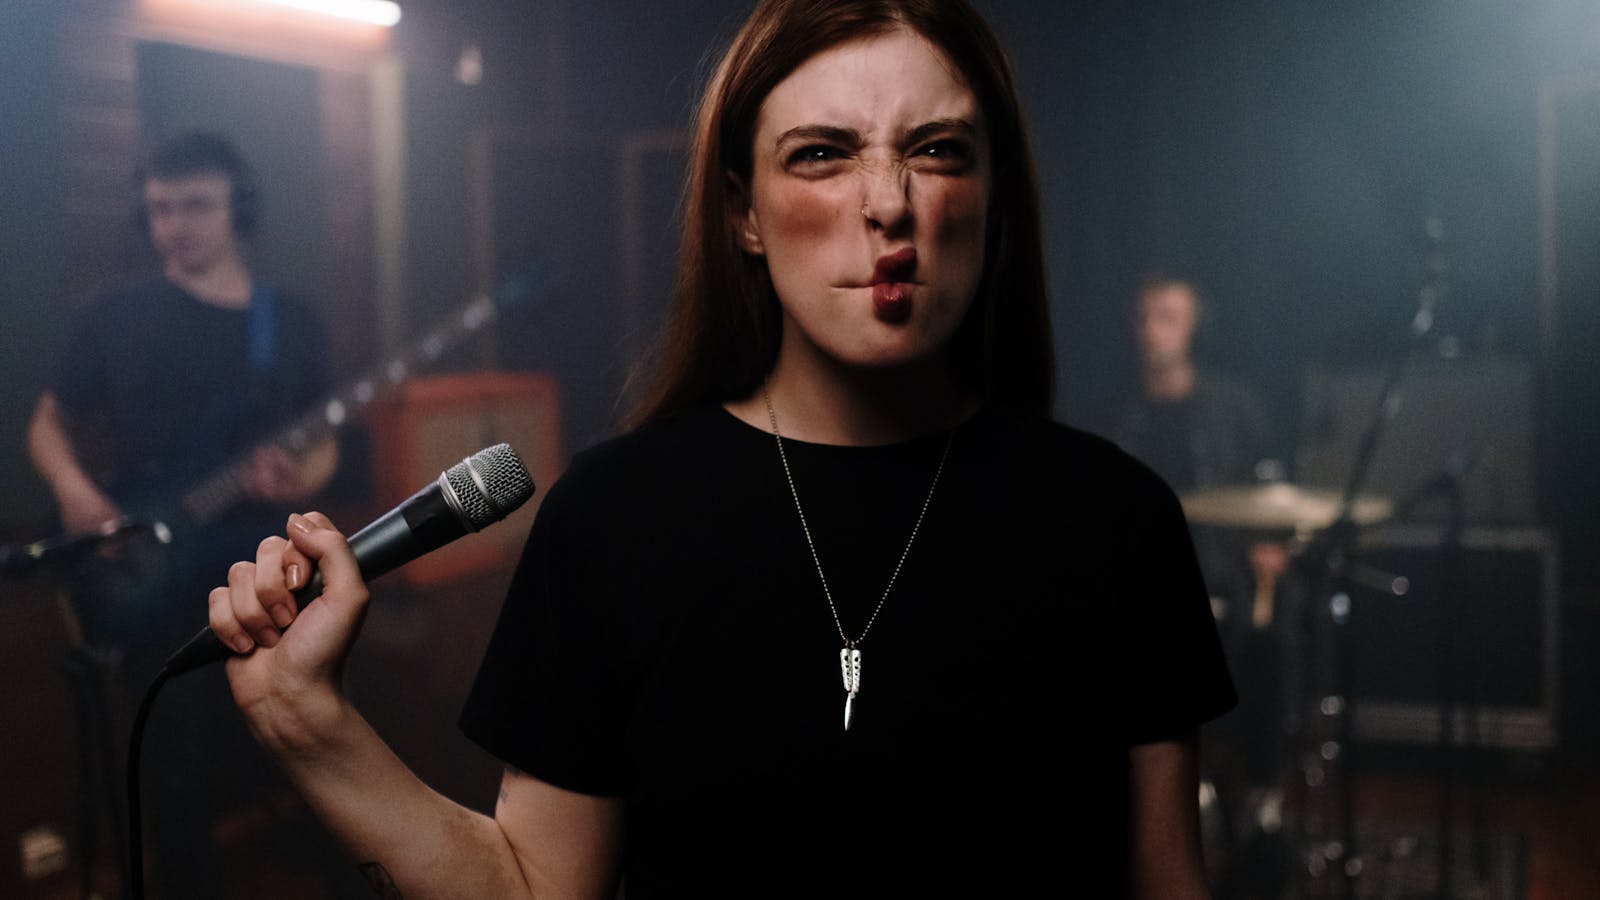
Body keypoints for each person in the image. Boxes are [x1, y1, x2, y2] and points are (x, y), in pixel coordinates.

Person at [209, 2, 1236, 897]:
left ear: (994, 194)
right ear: (743, 212)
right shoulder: (614, 519)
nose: (889, 203)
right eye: (822, 154)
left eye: (936, 150)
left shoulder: (1118, 523)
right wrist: (307, 723)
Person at [26, 131, 340, 898]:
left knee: (313, 743)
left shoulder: (289, 319)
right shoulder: (113, 313)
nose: (175, 225)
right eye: (161, 209)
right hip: (150, 578)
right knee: (175, 771)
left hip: (264, 570)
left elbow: (325, 439)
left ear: (240, 208)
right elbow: (46, 423)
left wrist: (297, 474)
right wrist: (75, 491)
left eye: (196, 205)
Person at [1100, 273, 1294, 898]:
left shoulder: (1234, 407)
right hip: (1140, 590)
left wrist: (1268, 543)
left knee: (1264, 644)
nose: (1152, 330)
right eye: (1144, 316)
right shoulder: (1116, 414)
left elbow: (1269, 492)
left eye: (1168, 316)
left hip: (1221, 578)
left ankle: (1259, 794)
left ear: (1193, 329)